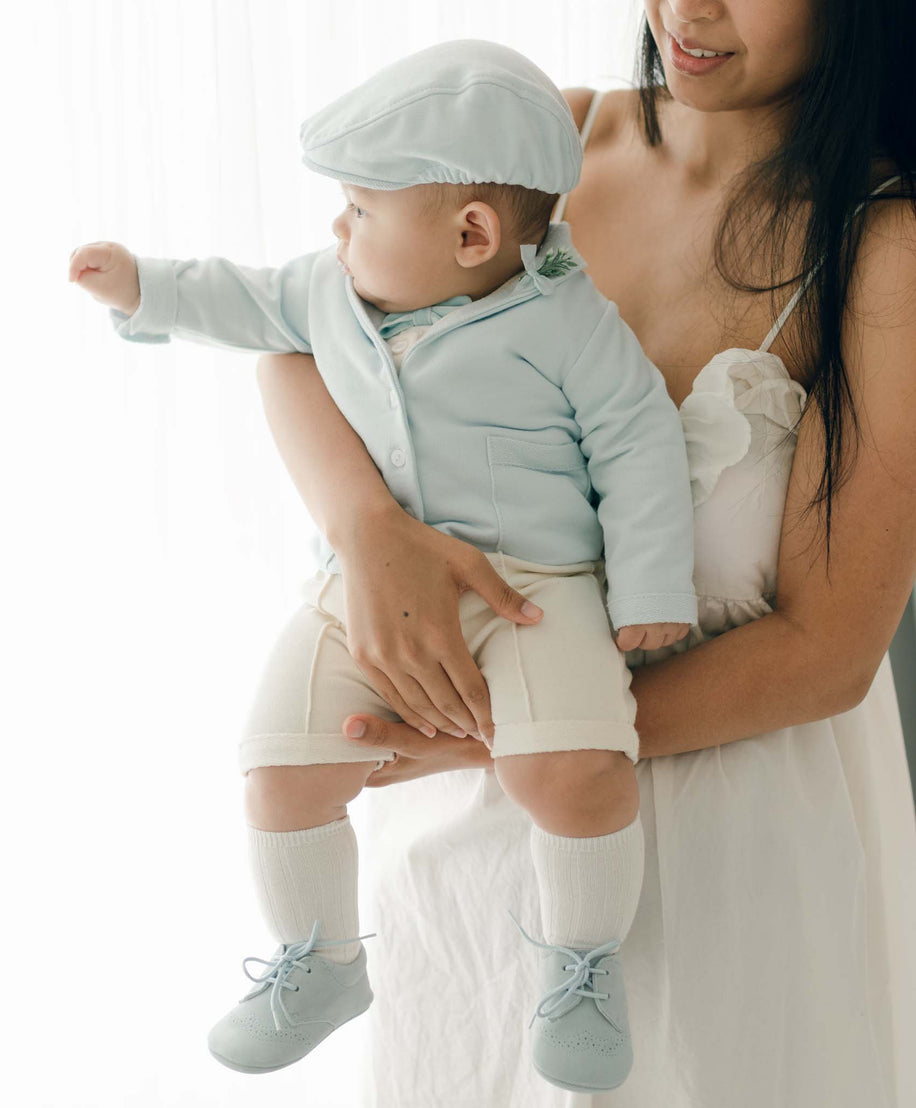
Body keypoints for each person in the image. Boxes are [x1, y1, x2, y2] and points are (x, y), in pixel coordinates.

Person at [252, 3, 916, 1106]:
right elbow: (291, 330)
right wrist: (370, 529)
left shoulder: (878, 247)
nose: (688, 9)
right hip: (465, 848)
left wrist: (519, 741)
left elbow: (828, 650)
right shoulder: (539, 149)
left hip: (725, 856)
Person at [70, 39, 701, 1093]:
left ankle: (583, 960)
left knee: (577, 769)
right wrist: (144, 288)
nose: (336, 228)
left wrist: (647, 593)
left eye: (360, 208)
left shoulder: (565, 324)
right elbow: (245, 298)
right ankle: (319, 959)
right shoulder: (329, 293)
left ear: (470, 233)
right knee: (278, 763)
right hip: (356, 586)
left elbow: (636, 443)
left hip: (535, 593)